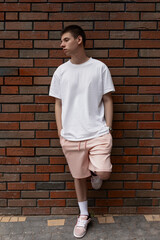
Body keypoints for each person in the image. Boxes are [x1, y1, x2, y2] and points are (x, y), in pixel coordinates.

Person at [49, 25, 115, 239]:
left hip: (97, 132)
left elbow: (107, 99)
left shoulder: (99, 67)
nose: (62, 45)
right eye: (61, 41)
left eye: (66, 40)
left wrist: (108, 127)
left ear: (79, 40)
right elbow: (58, 104)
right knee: (79, 177)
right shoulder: (61, 71)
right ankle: (84, 215)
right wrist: (61, 132)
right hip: (71, 136)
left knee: (103, 172)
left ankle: (96, 174)